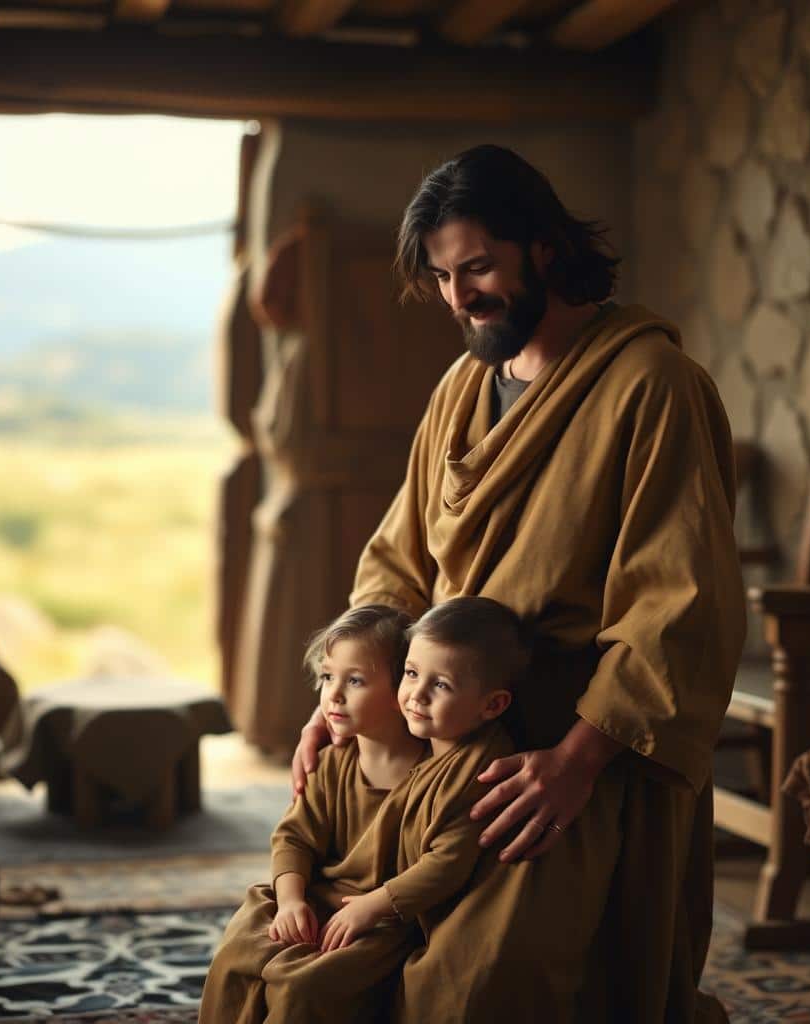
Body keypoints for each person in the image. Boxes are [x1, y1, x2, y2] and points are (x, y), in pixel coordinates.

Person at [292, 144, 746, 1022]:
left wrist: (574, 764)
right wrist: (343, 696)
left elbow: (679, 604)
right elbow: (397, 564)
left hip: (568, 758)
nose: (458, 298)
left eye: (477, 268)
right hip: (443, 747)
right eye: (441, 277)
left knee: (473, 989)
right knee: (289, 951)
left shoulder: (653, 385)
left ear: (544, 246)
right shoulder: (462, 388)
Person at [201, 598, 530, 1023]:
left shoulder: (464, 768)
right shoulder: (335, 760)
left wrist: (371, 906)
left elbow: (447, 862)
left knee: (304, 985)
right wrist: (290, 901)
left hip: (380, 917)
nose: (332, 696)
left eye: (354, 680)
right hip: (315, 893)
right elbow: (294, 836)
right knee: (239, 950)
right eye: (327, 677)